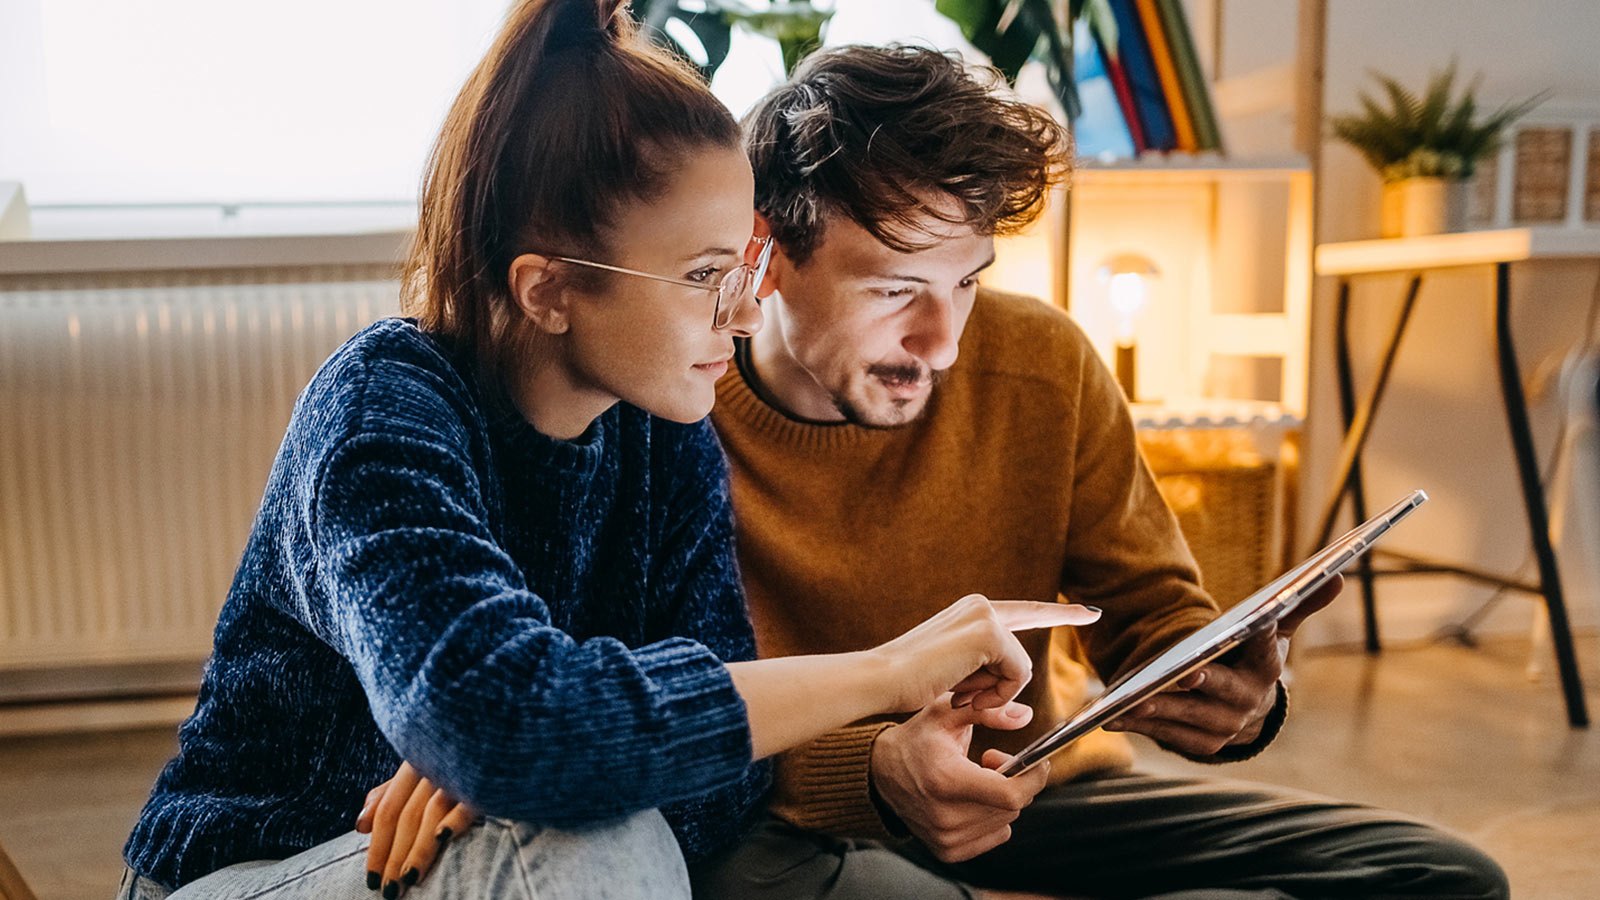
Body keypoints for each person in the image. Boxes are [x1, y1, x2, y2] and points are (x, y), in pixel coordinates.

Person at [113, 7, 1098, 899]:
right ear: (547, 291)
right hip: (262, 868)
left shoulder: (665, 435)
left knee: (621, 831)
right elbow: (515, 728)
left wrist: (536, 755)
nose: (748, 312)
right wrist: (887, 673)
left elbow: (721, 795)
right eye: (706, 275)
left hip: (496, 852)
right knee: (599, 851)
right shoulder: (383, 410)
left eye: (743, 268)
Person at [684, 44, 1510, 900]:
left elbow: (1150, 610)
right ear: (768, 254)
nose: (944, 345)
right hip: (790, 820)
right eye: (894, 292)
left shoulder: (1043, 362)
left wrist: (1220, 684)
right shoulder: (677, 410)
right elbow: (661, 719)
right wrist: (875, 768)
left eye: (965, 282)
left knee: (1441, 878)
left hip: (1032, 791)